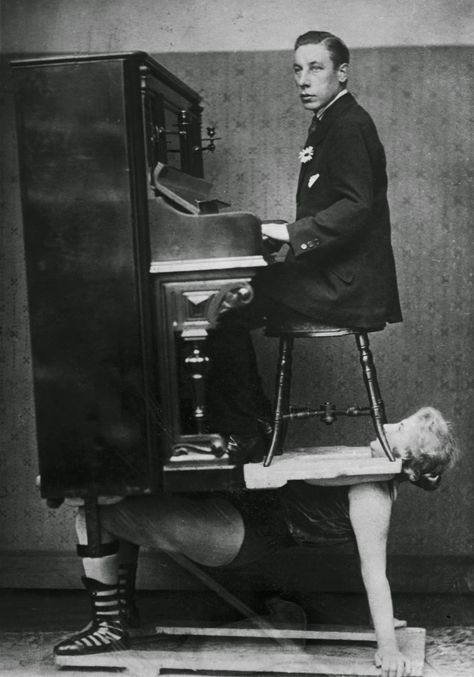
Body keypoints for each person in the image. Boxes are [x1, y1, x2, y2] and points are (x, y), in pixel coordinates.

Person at [54, 406, 458, 677]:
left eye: (399, 429)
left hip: (237, 532)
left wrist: (387, 644)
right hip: (238, 516)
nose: (387, 426)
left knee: (95, 512)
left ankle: (109, 625)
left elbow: (374, 572)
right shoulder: (368, 472)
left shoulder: (373, 493)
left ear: (406, 459)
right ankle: (121, 616)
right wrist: (382, 622)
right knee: (120, 502)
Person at [205, 30, 402, 461]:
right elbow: (334, 205)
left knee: (223, 305)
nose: (303, 80)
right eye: (297, 69)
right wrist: (281, 229)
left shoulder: (348, 124)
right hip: (334, 274)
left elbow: (355, 207)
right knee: (229, 301)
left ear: (342, 72)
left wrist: (289, 234)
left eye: (316, 68)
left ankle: (249, 433)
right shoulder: (329, 121)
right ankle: (255, 427)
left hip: (346, 284)